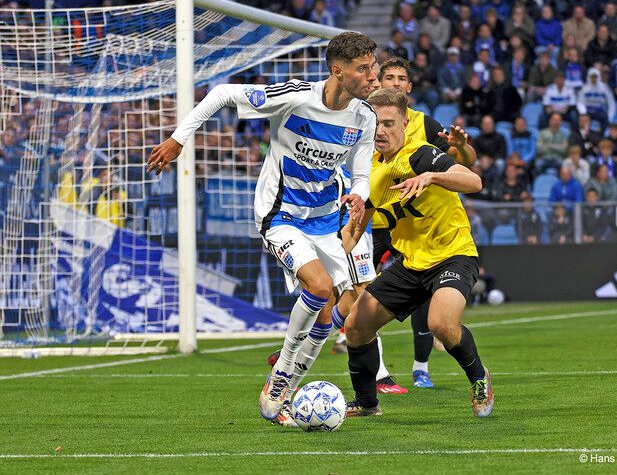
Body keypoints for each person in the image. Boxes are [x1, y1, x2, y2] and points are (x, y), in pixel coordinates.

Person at [146, 32, 378, 425]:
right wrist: (178, 139)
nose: (374, 76)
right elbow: (221, 93)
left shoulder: (364, 117)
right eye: (364, 69)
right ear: (338, 71)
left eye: (373, 66)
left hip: (325, 218)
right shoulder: (296, 96)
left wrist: (358, 194)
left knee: (340, 309)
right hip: (280, 214)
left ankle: (285, 391)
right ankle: (280, 377)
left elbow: (361, 172)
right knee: (320, 288)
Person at [341, 87, 494, 418]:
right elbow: (356, 229)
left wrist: (432, 177)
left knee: (441, 324)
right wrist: (341, 238)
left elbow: (473, 182)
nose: (380, 131)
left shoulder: (420, 154)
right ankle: (367, 403)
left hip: (453, 254)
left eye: (388, 123)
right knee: (356, 325)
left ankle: (479, 378)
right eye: (374, 124)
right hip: (411, 264)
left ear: (404, 123)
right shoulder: (371, 170)